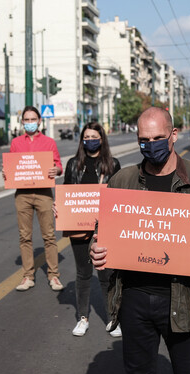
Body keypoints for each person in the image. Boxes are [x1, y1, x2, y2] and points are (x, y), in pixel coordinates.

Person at [90, 107, 190, 374]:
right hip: (135, 300)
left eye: (157, 137)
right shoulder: (122, 181)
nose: (150, 145)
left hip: (186, 297)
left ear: (173, 135)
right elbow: (103, 233)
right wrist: (98, 249)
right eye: (144, 139)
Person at [61, 122, 121, 337]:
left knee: (106, 275)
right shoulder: (73, 164)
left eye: (94, 136)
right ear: (82, 140)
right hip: (79, 228)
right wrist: (58, 206)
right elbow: (67, 194)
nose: (90, 140)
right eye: (86, 136)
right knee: (83, 273)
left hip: (104, 228)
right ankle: (83, 318)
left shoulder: (113, 164)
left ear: (101, 139)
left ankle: (112, 318)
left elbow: (120, 197)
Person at [6, 106, 63, 291]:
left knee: (49, 235)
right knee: (25, 236)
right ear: (22, 122)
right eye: (26, 119)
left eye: (33, 119)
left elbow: (59, 165)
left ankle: (54, 275)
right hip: (22, 194)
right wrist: (6, 172)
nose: (30, 123)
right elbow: (12, 167)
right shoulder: (15, 143)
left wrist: (57, 170)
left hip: (44, 193)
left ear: (40, 121)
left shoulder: (49, 142)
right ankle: (28, 276)